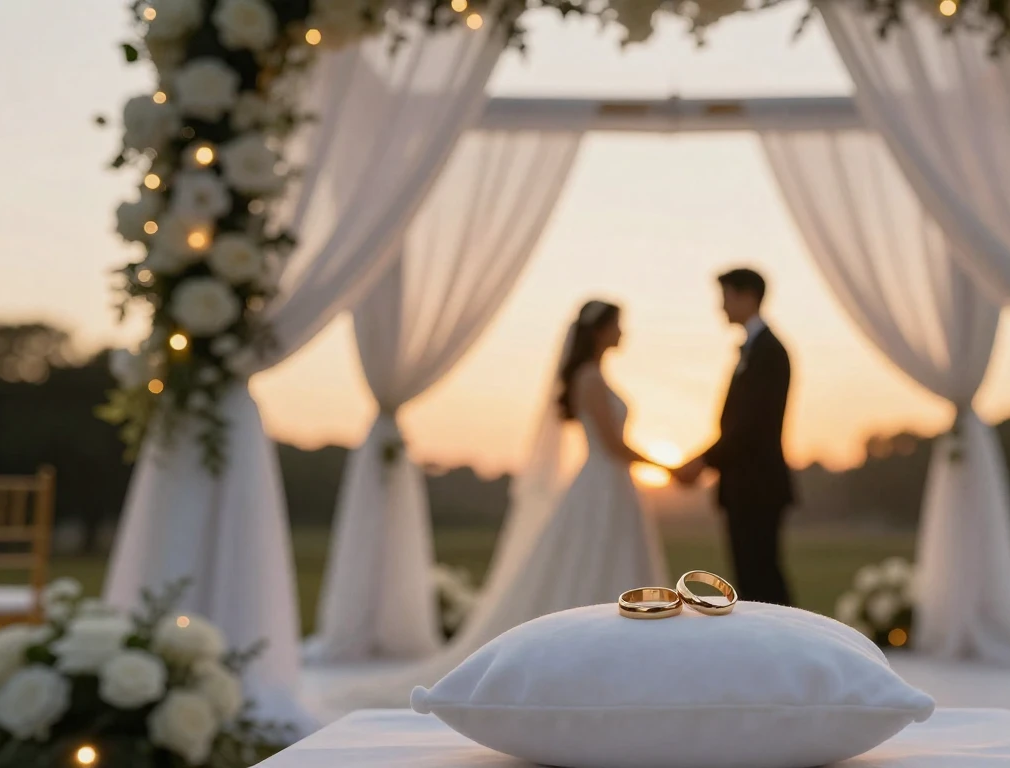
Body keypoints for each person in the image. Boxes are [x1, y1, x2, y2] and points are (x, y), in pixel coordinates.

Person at [329, 300, 667, 710]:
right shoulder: (591, 378)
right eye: (618, 325)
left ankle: (623, 662)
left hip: (608, 486)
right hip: (603, 485)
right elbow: (613, 445)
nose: (623, 333)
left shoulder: (591, 376)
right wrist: (669, 467)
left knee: (602, 566)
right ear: (600, 330)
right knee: (595, 567)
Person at [676, 268, 796, 606]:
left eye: (725, 297)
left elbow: (751, 426)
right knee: (750, 579)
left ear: (747, 296)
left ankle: (789, 651)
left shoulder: (769, 351)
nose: (721, 307)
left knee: (763, 582)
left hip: (757, 485)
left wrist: (702, 461)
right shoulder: (753, 349)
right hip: (743, 485)